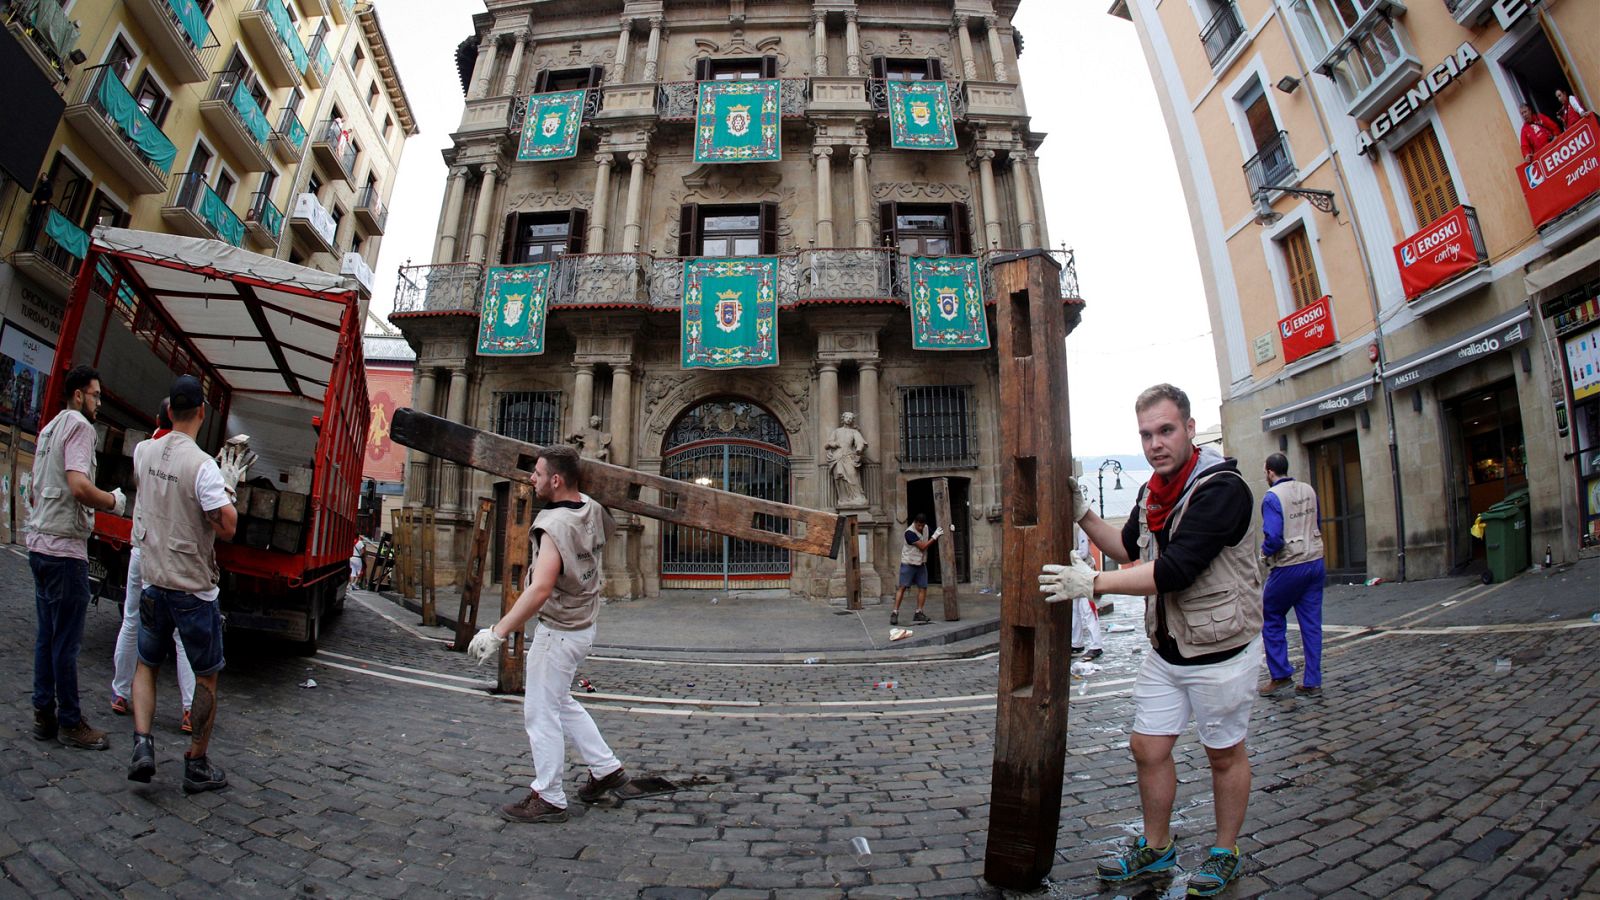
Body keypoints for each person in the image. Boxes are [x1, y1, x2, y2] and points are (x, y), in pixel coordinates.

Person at [1040, 384, 1261, 897]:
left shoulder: (1222, 489)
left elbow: (1176, 569)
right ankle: (1158, 845)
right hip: (1167, 648)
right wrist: (1083, 514)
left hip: (1220, 649)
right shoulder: (1154, 492)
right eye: (1145, 434)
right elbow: (1129, 546)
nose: (1155, 443)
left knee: (1224, 754)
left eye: (1165, 430)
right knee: (1147, 746)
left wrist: (1092, 583)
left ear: (1188, 427)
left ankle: (1225, 851)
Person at [466, 444, 626, 824]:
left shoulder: (553, 525)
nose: (531, 479)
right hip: (584, 622)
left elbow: (539, 589)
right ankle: (606, 769)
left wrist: (498, 631)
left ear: (556, 480)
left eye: (537, 474)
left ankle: (550, 796)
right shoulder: (590, 506)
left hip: (559, 631)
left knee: (540, 713)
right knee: (561, 703)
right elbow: (608, 532)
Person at [126, 376, 248, 794]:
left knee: (147, 663)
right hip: (192, 588)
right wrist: (229, 489)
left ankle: (142, 743)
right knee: (207, 676)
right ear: (201, 412)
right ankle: (196, 763)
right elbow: (227, 525)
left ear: (168, 411)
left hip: (153, 578)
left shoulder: (143, 451)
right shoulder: (203, 466)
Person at [28, 365, 125, 751]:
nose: (99, 402)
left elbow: (39, 486)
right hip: (65, 549)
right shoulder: (81, 428)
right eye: (96, 395)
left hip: (39, 544)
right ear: (79, 395)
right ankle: (70, 721)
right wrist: (114, 502)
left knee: (46, 637)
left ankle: (43, 714)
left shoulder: (50, 428)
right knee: (65, 642)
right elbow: (79, 486)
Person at [111, 399, 197, 733]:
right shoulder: (189, 458)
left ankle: (120, 692)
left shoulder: (143, 451)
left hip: (140, 547)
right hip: (170, 555)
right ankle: (189, 708)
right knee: (180, 632)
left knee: (132, 619)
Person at [1258, 453, 1325, 697]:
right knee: (1312, 624)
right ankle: (1313, 681)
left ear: (1269, 472)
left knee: (1271, 613)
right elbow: (1317, 521)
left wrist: (1264, 552)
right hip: (1315, 560)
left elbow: (1274, 537)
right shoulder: (1308, 489)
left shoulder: (1272, 497)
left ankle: (1281, 673)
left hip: (1289, 564)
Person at [890, 513, 943, 626]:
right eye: (918, 525)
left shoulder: (926, 528)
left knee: (923, 587)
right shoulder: (909, 533)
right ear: (915, 523)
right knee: (902, 587)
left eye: (922, 526)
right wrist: (934, 537)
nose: (920, 528)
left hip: (921, 563)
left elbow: (938, 533)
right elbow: (923, 546)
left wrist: (948, 530)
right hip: (908, 563)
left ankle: (918, 612)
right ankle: (895, 612)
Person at [824, 412, 869, 507]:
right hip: (837, 457)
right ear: (843, 419)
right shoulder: (837, 431)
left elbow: (860, 442)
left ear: (852, 420)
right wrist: (833, 444)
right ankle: (844, 499)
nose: (848, 419)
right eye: (847, 417)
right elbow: (827, 444)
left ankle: (857, 498)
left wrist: (859, 450)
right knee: (839, 477)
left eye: (850, 418)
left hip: (849, 456)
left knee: (852, 476)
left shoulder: (854, 432)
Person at [1072, 529, 1104, 662]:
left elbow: (1084, 552)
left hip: (1085, 573)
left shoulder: (1079, 528)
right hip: (1074, 573)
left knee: (1087, 609)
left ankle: (1096, 645)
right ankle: (1076, 643)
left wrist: (1068, 555)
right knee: (1074, 609)